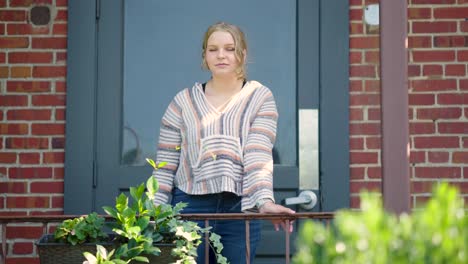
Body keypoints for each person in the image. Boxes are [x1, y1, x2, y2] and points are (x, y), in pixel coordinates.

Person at [152, 21, 295, 263]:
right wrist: (152, 211)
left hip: (240, 209)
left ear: (243, 54)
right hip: (189, 207)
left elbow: (258, 154)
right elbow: (165, 166)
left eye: (230, 48)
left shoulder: (259, 98)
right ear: (204, 55)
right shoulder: (183, 102)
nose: (221, 55)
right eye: (213, 49)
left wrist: (264, 201)